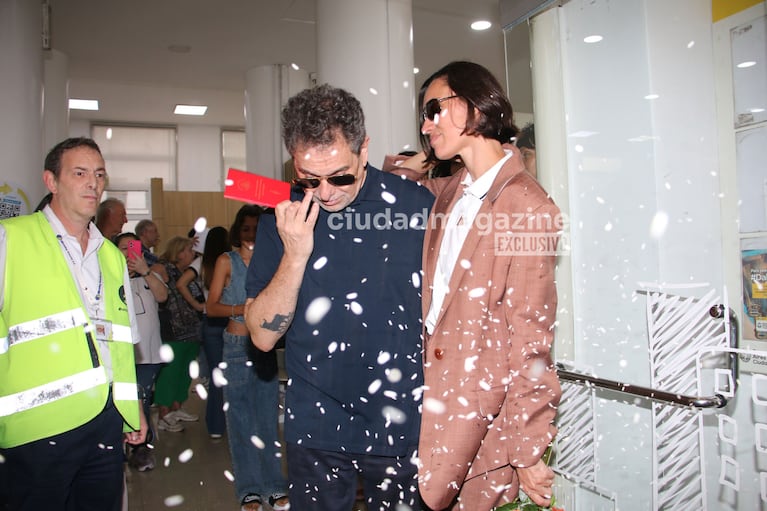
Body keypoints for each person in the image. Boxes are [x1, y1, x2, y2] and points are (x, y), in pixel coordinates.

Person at [244, 84, 434, 510]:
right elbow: (260, 336)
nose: (326, 192)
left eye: (340, 176)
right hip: (316, 426)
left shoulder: (414, 206)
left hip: (399, 420)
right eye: (309, 179)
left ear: (364, 149)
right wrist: (295, 254)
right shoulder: (282, 215)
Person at [412, 61, 561, 510]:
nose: (426, 124)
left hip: (486, 423)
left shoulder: (528, 206)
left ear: (475, 105)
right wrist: (428, 152)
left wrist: (529, 449)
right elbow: (398, 178)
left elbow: (531, 338)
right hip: (436, 404)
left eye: (434, 109)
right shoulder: (453, 189)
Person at [0, 137, 147, 510]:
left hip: (103, 423)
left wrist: (133, 411)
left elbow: (119, 342)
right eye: (79, 173)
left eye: (98, 174)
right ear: (51, 181)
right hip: (37, 428)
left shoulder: (112, 257)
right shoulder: (12, 239)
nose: (92, 183)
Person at [207, 205, 289, 511]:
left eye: (257, 228)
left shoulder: (273, 262)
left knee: (268, 421)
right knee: (240, 422)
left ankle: (274, 487)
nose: (251, 234)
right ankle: (249, 490)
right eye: (246, 229)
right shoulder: (226, 261)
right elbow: (210, 307)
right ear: (237, 230)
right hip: (236, 345)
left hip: (265, 348)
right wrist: (243, 309)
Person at [115, 232, 168, 472]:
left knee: (142, 400)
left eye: (132, 247)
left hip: (148, 353)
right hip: (121, 354)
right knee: (124, 401)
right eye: (123, 248)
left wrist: (145, 271)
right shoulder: (111, 274)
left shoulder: (151, 273)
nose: (129, 252)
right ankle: (122, 448)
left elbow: (163, 296)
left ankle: (141, 449)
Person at [152, 236, 203, 432]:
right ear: (179, 252)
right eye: (189, 250)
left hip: (192, 328)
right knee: (170, 372)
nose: (192, 254)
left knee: (185, 371)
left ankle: (177, 407)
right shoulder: (163, 268)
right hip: (171, 329)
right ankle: (165, 413)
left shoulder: (189, 273)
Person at [196, 225, 230, 439]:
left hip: (209, 321)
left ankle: (215, 426)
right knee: (232, 375)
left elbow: (181, 283)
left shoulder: (200, 263)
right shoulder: (229, 262)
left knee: (215, 376)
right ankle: (231, 422)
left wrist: (200, 305)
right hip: (227, 318)